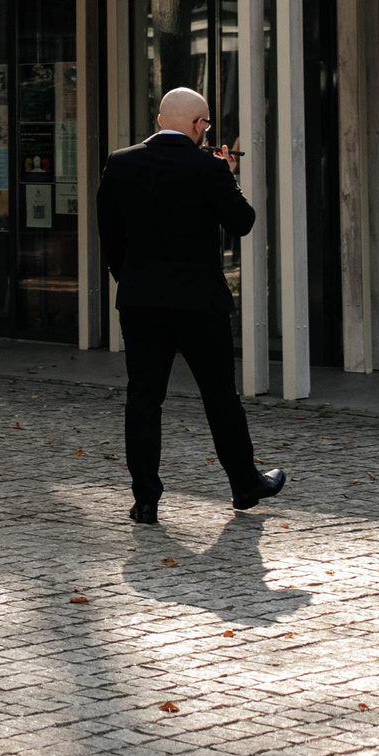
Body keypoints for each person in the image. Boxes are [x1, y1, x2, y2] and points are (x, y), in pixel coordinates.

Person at [97, 85, 286, 524]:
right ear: (199, 125)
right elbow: (243, 222)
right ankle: (245, 485)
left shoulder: (121, 163)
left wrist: (130, 278)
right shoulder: (209, 167)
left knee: (144, 399)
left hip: (142, 301)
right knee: (220, 396)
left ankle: (146, 499)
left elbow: (109, 231)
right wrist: (227, 172)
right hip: (201, 303)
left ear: (162, 119)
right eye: (205, 125)